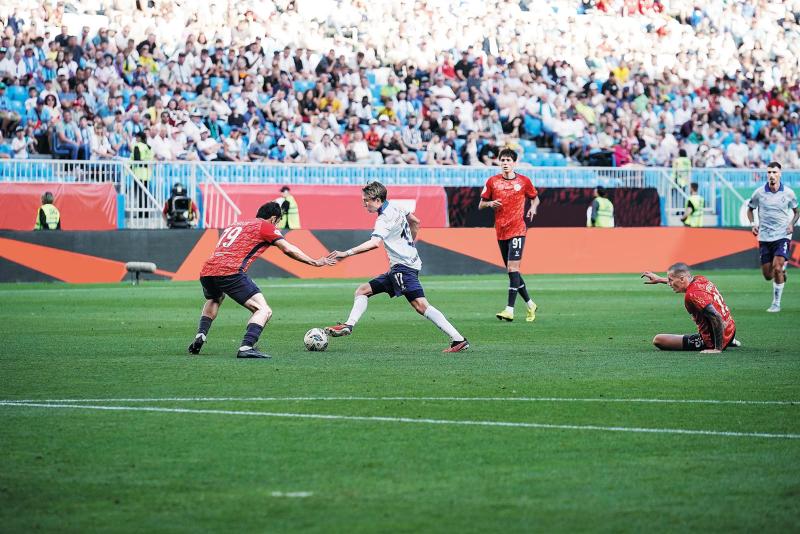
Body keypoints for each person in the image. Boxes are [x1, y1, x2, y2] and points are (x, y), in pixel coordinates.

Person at [324, 181, 469, 353]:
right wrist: (408, 245)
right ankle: (348, 325)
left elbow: (374, 243)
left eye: (366, 200)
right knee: (362, 291)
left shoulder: (383, 219)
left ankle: (458, 339)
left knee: (421, 305)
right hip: (405, 264)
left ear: (377, 200)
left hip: (403, 267)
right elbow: (415, 221)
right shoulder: (396, 206)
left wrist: (345, 253)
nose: (364, 204)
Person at [188, 202, 336, 359]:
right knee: (263, 310)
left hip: (207, 270)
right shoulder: (265, 226)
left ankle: (200, 335)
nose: (277, 226)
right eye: (278, 222)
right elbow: (287, 248)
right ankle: (246, 347)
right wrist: (314, 262)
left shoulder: (235, 224)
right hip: (230, 271)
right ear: (273, 219)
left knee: (215, 298)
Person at [478, 148, 540, 322]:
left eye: (508, 160)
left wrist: (533, 208)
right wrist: (490, 203)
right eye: (503, 160)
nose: (505, 163)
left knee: (513, 269)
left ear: (514, 163)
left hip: (518, 229)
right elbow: (481, 205)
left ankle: (509, 310)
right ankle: (530, 304)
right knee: (513, 272)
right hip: (501, 231)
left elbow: (535, 197)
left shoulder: (524, 181)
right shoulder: (492, 182)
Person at [641, 263, 739, 353]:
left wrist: (717, 348)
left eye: (670, 280)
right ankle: (729, 340)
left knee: (658, 340)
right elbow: (684, 282)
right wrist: (659, 279)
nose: (669, 283)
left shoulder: (693, 295)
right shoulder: (700, 279)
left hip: (713, 340)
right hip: (730, 330)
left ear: (682, 279)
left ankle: (720, 343)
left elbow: (716, 316)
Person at [746, 162, 799, 312]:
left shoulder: (788, 193)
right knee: (768, 275)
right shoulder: (759, 193)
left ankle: (776, 303)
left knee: (777, 267)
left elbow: (797, 212)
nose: (771, 175)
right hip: (764, 237)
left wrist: (792, 224)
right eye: (769, 172)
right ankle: (782, 272)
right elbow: (750, 209)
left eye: (774, 172)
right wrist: (753, 224)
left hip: (782, 235)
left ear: (780, 174)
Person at [130, 131, 153, 218]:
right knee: (146, 194)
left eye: (136, 137)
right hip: (147, 174)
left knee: (140, 194)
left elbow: (136, 160)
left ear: (139, 138)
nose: (135, 139)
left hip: (139, 173)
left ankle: (141, 214)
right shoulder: (149, 147)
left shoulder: (137, 146)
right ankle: (146, 213)